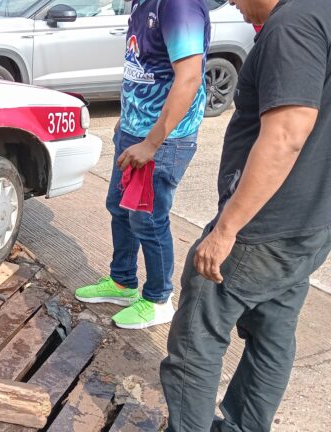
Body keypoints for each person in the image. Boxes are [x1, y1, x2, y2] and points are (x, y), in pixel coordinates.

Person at [160, 0, 331, 430]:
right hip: (312, 222)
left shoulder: (293, 24)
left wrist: (226, 228)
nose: (232, 3)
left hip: (262, 226)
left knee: (196, 339)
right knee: (272, 337)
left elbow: (288, 133)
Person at [73, 0, 210, 329]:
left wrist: (151, 143)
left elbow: (188, 79)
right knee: (120, 208)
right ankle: (122, 283)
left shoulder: (178, 5)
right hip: (134, 131)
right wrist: (127, 123)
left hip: (163, 141)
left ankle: (159, 299)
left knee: (148, 221)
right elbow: (143, 68)